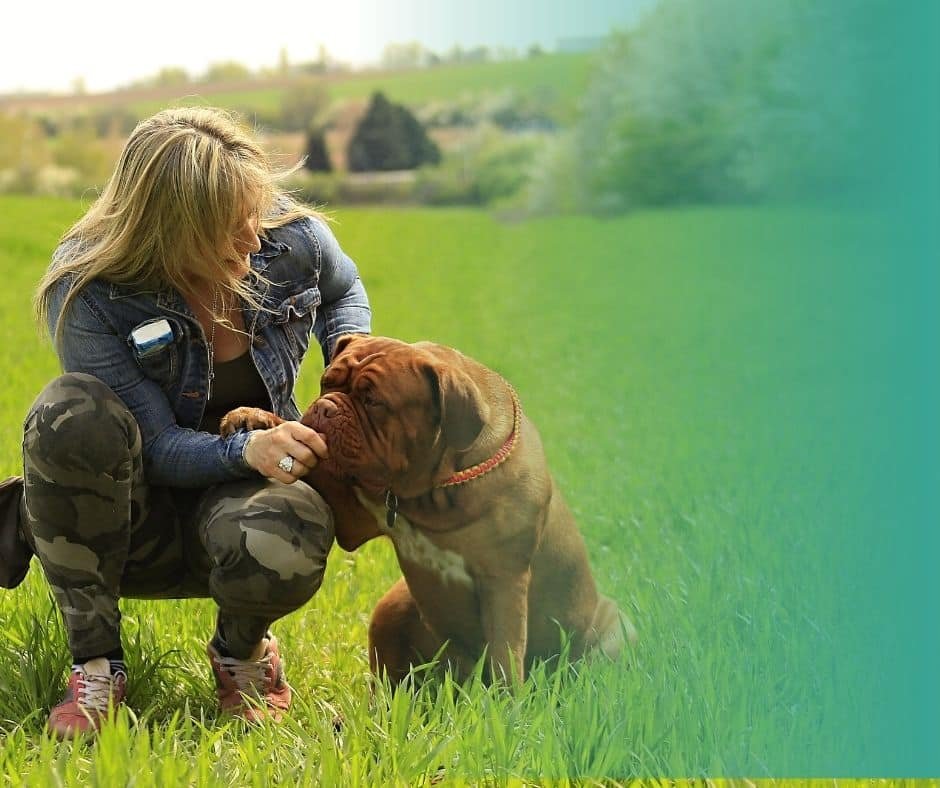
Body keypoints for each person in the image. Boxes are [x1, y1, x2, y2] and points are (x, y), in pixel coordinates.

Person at [19, 107, 371, 737]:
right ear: (176, 232)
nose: (257, 241)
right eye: (234, 229)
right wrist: (246, 451)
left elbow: (343, 288)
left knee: (291, 523)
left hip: (244, 504)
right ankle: (97, 667)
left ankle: (242, 657)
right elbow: (155, 444)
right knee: (69, 411)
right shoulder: (92, 290)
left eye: (255, 216)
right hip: (132, 511)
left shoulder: (292, 240)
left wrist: (347, 357)